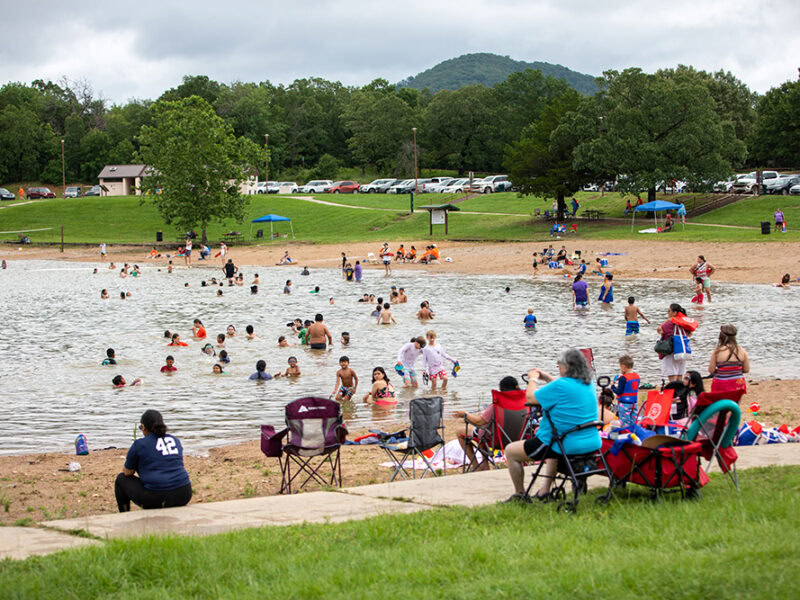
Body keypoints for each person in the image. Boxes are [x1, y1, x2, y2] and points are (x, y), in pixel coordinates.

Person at [503, 349, 600, 503]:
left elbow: (530, 397)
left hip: (565, 443)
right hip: (591, 442)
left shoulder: (561, 385)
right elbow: (562, 385)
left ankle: (519, 494)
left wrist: (533, 379)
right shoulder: (587, 384)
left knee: (510, 452)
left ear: (567, 367)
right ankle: (544, 491)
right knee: (553, 451)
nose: (558, 368)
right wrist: (547, 376)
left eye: (559, 365)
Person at [114, 409, 192, 512]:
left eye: (141, 427)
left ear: (144, 427)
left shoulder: (140, 444)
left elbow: (128, 472)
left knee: (121, 479)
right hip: (184, 493)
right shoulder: (175, 440)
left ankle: (125, 513)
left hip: (157, 497)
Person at [453, 376, 520, 470]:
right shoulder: (524, 403)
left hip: (496, 441)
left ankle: (476, 465)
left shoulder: (497, 405)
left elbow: (479, 421)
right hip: (518, 439)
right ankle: (484, 464)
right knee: (485, 430)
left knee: (462, 432)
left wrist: (465, 414)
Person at [709, 324, 750, 395]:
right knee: (735, 403)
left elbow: (711, 370)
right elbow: (746, 369)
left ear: (721, 336)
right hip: (738, 382)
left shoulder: (717, 351)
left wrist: (722, 371)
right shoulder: (741, 351)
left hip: (721, 383)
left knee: (721, 403)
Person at [657, 303, 691, 382]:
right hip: (682, 351)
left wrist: (668, 320)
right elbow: (689, 333)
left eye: (669, 311)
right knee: (679, 377)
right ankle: (680, 393)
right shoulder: (684, 323)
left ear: (674, 313)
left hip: (671, 352)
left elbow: (660, 329)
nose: (667, 313)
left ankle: (674, 393)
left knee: (672, 379)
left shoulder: (669, 323)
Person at [610, 355, 640, 427]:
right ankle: (633, 434)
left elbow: (619, 392)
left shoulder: (623, 378)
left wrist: (612, 386)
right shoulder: (637, 376)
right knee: (633, 423)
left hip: (624, 405)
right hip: (634, 404)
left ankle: (626, 435)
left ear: (623, 366)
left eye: (620, 367)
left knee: (624, 424)